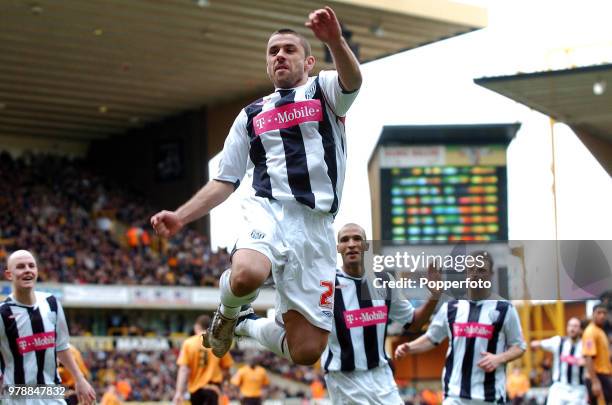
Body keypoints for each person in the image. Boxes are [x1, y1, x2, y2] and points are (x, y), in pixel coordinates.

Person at [151, 5, 361, 366]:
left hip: (316, 228)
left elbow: (353, 81)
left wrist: (336, 42)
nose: (280, 55)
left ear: (309, 62)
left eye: (289, 49)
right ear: (267, 64)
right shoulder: (250, 116)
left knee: (307, 351)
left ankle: (244, 325)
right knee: (247, 275)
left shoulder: (323, 90)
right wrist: (182, 216)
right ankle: (229, 309)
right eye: (273, 51)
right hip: (269, 210)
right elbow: (224, 180)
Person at [321, 223, 442, 404]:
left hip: (381, 375)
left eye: (357, 239)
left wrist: (434, 296)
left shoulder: (384, 281)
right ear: (338, 248)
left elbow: (414, 321)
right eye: (345, 240)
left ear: (366, 246)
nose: (351, 244)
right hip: (344, 379)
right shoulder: (326, 285)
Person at [395, 251, 526, 404]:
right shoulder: (451, 308)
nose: (475, 274)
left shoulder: (505, 309)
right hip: (455, 396)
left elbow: (519, 346)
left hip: (490, 397)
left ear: (491, 274)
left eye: (481, 270)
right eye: (471, 269)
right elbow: (432, 338)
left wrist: (499, 358)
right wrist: (409, 347)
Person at [0, 250, 96, 405]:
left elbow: (62, 346)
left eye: (31, 266)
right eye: (20, 266)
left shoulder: (51, 303)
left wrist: (80, 379)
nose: (27, 270)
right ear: (9, 274)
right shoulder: (2, 314)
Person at [173, 315, 233, 405]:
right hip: (213, 389)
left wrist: (179, 392)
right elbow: (226, 370)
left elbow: (183, 370)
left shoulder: (188, 343)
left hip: (195, 391)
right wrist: (226, 385)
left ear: (197, 326)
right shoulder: (219, 342)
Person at [530, 317, 587, 404]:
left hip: (578, 390)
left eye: (575, 326)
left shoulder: (585, 345)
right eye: (570, 326)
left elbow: (593, 362)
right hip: (559, 387)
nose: (572, 329)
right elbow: (537, 344)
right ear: (567, 328)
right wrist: (532, 344)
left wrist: (585, 362)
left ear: (580, 329)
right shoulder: (558, 341)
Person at [582, 304, 612, 404]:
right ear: (593, 314)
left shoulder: (600, 331)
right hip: (597, 377)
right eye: (599, 313)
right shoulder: (590, 332)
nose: (602, 316)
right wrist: (595, 382)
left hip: (604, 376)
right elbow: (588, 357)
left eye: (604, 313)